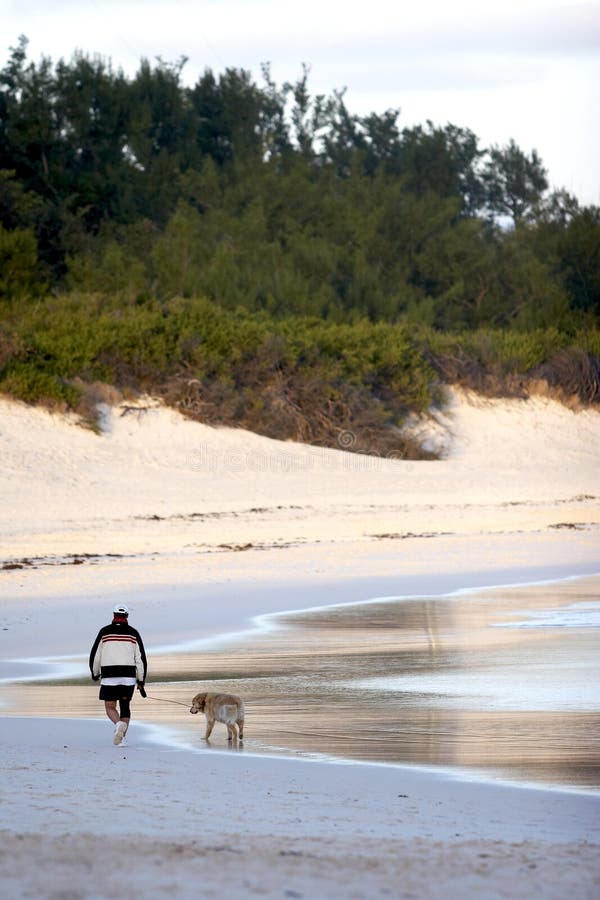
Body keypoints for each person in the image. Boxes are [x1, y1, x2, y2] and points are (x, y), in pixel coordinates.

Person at [89, 604, 147, 746]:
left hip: (109, 675)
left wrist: (95, 673)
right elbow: (140, 659)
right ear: (127, 616)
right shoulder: (133, 633)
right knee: (125, 707)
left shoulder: (105, 632)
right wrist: (141, 680)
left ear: (114, 615)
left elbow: (96, 655)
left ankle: (118, 724)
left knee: (110, 706)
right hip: (128, 677)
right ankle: (122, 738)